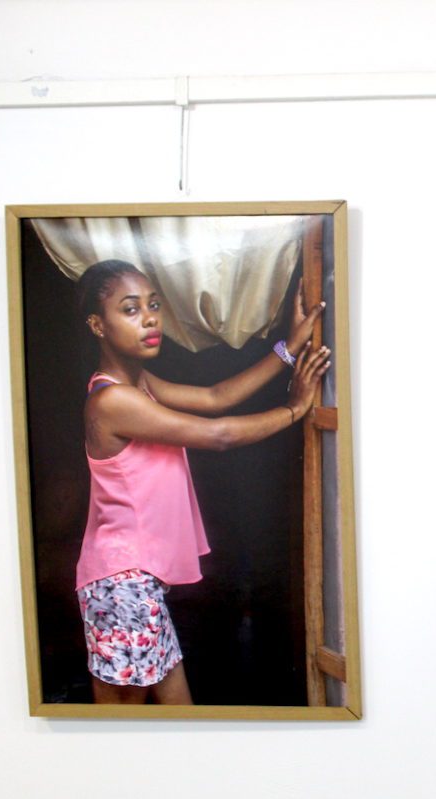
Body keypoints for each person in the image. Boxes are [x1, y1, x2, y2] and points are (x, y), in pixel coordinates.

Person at [73, 259, 331, 704]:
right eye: (130, 309)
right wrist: (294, 409)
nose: (150, 319)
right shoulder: (112, 401)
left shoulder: (139, 386)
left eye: (153, 305)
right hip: (121, 583)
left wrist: (288, 348)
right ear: (98, 325)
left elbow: (216, 398)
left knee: (171, 715)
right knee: (123, 725)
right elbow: (219, 435)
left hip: (136, 583)